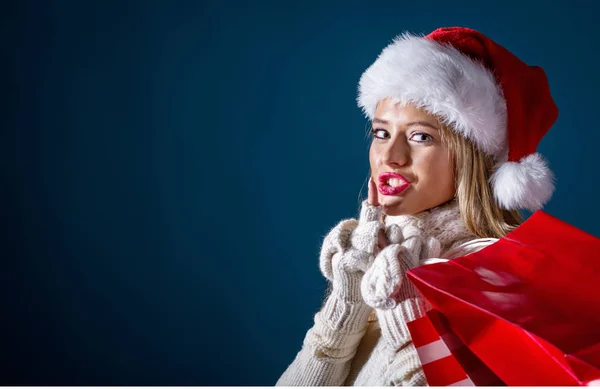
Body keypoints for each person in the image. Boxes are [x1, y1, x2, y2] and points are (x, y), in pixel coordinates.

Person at [276, 27, 558, 386]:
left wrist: (414, 326)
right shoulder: (378, 259)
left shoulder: (496, 281)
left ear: (471, 158)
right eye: (381, 133)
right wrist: (344, 310)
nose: (391, 157)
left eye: (420, 136)